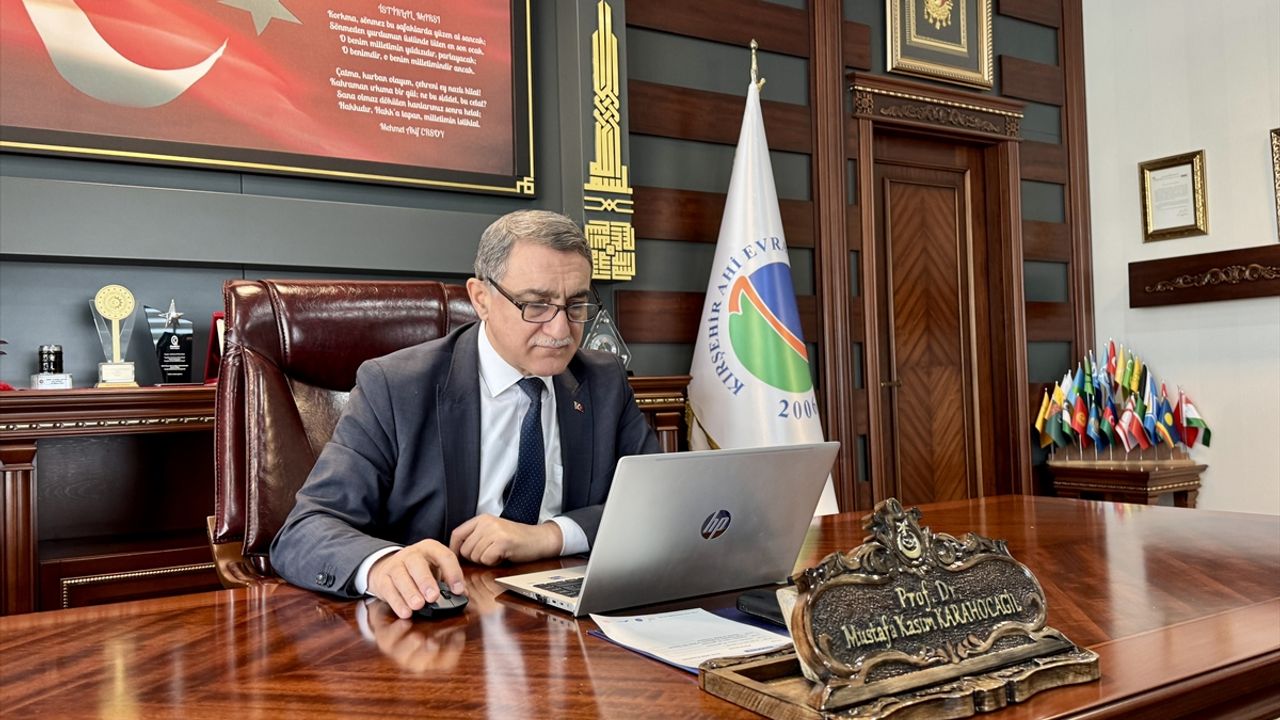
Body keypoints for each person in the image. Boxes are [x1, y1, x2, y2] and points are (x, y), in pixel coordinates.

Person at [271, 210, 659, 618]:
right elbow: (305, 529)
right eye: (536, 305)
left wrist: (549, 536)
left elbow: (656, 506)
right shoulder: (395, 386)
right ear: (481, 299)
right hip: (435, 623)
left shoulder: (602, 381)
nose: (561, 330)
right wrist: (383, 565)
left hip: (568, 616)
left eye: (576, 304)